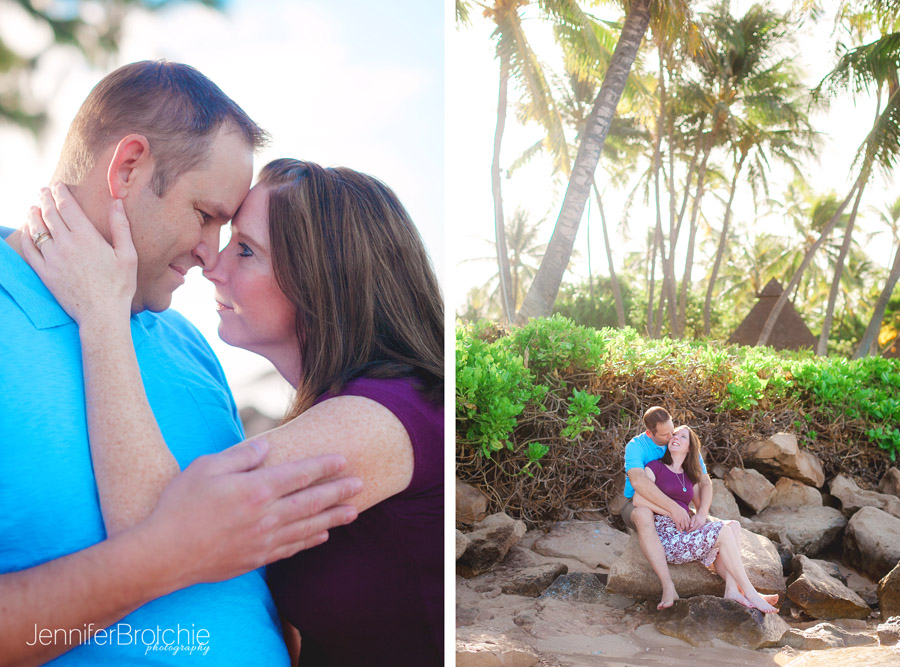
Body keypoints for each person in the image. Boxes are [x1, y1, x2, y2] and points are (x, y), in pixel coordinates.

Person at [0, 61, 363, 666]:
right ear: (128, 168)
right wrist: (164, 553)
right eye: (205, 215)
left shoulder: (188, 343)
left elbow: (247, 591)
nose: (211, 254)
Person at [24, 157, 444, 664]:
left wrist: (101, 310)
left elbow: (163, 531)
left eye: (245, 250)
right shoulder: (353, 406)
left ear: (325, 280)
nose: (213, 265)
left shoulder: (382, 418)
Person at [633, 425, 779, 613]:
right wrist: (672, 511)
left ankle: (732, 590)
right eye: (674, 435)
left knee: (733, 525)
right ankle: (751, 593)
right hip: (669, 539)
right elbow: (638, 499)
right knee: (724, 531)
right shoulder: (655, 467)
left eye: (682, 437)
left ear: (690, 448)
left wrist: (700, 516)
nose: (676, 437)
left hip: (686, 534)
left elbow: (704, 493)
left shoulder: (688, 477)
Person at [621, 407, 712, 610]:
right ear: (649, 433)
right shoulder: (636, 446)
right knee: (644, 515)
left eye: (673, 430)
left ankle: (739, 590)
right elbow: (638, 482)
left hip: (677, 504)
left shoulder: (679, 441)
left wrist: (702, 513)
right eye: (665, 434)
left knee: (714, 527)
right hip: (638, 503)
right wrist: (672, 509)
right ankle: (668, 585)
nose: (672, 436)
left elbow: (704, 482)